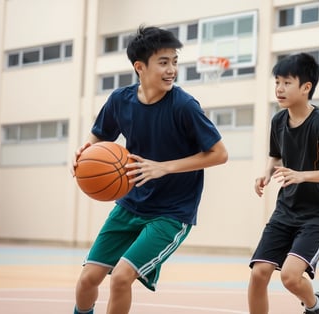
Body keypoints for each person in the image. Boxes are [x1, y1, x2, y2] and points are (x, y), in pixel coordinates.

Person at [70, 25, 228, 314]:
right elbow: (99, 136)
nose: (171, 70)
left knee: (120, 278)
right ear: (139, 67)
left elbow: (219, 154)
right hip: (130, 204)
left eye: (175, 62)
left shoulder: (184, 106)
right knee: (86, 280)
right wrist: (86, 151)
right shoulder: (120, 100)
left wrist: (164, 168)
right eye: (163, 62)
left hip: (171, 213)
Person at [248, 53, 319, 314]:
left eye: (287, 83)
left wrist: (302, 175)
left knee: (290, 277)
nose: (279, 89)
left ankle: (314, 305)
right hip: (287, 209)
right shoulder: (278, 121)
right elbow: (276, 155)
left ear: (306, 87)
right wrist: (266, 173)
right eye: (277, 82)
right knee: (259, 273)